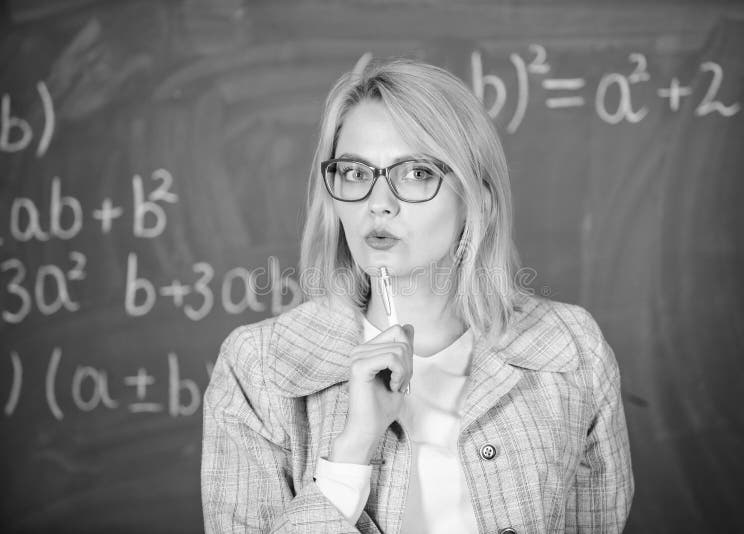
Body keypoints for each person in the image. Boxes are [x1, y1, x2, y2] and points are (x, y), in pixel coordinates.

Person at [201, 57, 634, 533]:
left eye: (417, 173)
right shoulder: (257, 369)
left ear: (477, 199)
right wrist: (354, 448)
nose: (378, 203)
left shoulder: (571, 351)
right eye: (355, 172)